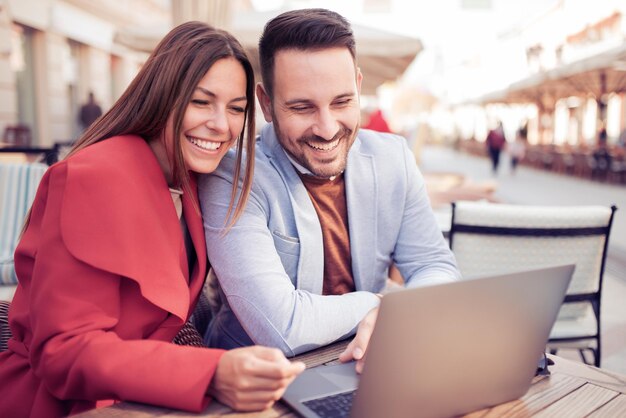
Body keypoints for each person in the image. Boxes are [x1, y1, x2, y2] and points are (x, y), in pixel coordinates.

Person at [0, 22, 304, 418]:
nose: (222, 125)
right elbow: (63, 351)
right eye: (201, 101)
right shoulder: (92, 177)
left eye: (236, 109)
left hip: (141, 398)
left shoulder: (192, 180)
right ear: (163, 95)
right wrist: (209, 372)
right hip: (56, 405)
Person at [199, 9, 460, 372]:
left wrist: (397, 316)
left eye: (341, 102)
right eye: (302, 107)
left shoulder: (392, 158)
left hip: (369, 362)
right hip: (258, 383)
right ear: (266, 104)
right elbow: (281, 327)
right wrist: (386, 308)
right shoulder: (233, 175)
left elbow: (434, 266)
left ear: (358, 84)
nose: (327, 128)